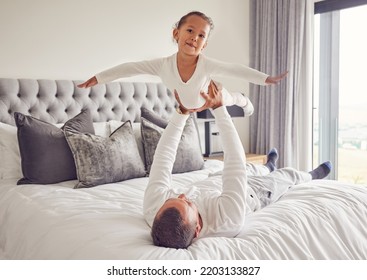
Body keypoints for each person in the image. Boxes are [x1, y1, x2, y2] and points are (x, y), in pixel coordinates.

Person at [143, 80, 331, 249]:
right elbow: (235, 161)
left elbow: (163, 157)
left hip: (212, 184)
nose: (182, 195)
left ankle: (267, 166)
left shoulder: (154, 209)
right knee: (283, 176)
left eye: (174, 199)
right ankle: (309, 175)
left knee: (251, 168)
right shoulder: (227, 221)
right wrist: (219, 108)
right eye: (187, 202)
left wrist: (181, 112)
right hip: (251, 194)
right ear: (198, 229)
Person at [77, 11, 287, 110]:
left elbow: (235, 69)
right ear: (176, 34)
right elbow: (130, 67)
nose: (194, 37)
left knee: (230, 98)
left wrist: (265, 78)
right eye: (190, 31)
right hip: (186, 107)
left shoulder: (207, 64)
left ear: (204, 45)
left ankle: (242, 99)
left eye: (201, 36)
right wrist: (99, 78)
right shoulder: (162, 65)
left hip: (213, 96)